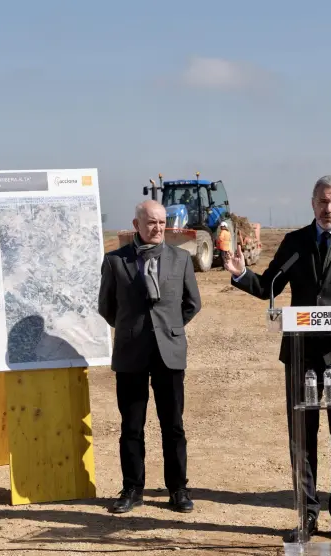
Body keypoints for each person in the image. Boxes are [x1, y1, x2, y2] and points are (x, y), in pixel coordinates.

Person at [223, 175, 331, 542]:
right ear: (312, 203)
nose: (328, 208)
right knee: (303, 438)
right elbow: (270, 285)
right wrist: (240, 276)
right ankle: (307, 515)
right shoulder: (295, 242)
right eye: (322, 201)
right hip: (302, 355)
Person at [98, 199, 203, 514]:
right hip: (131, 353)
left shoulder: (181, 259)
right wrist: (133, 329)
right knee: (132, 426)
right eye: (151, 223)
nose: (157, 228)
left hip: (169, 354)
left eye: (162, 222)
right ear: (136, 226)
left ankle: (178, 489)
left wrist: (168, 329)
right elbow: (106, 307)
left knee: (173, 425)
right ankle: (132, 489)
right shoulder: (115, 261)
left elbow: (191, 303)